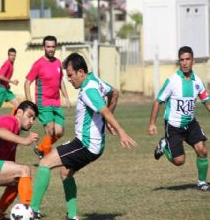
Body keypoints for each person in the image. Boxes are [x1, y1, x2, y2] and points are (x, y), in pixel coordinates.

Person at [30, 53, 137, 220]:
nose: (69, 80)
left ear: (81, 72)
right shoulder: (96, 81)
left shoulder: (88, 90)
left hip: (86, 145)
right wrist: (106, 122)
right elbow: (114, 93)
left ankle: (32, 211)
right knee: (65, 172)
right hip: (92, 145)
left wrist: (121, 131)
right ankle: (72, 216)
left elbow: (104, 110)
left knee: (44, 163)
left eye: (71, 75)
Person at [147, 46, 210, 191]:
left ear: (193, 61)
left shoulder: (198, 82)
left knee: (202, 150)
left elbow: (206, 101)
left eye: (188, 59)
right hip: (174, 126)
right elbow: (158, 101)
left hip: (191, 123)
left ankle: (202, 182)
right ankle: (164, 144)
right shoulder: (172, 81)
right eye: (182, 60)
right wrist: (152, 124)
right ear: (179, 62)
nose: (185, 63)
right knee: (179, 161)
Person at [24, 35, 71, 159]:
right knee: (50, 130)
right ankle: (46, 159)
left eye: (53, 47)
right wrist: (30, 103)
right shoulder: (38, 64)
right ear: (43, 47)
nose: (51, 49)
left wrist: (66, 97)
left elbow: (60, 80)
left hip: (56, 102)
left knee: (60, 132)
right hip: (43, 102)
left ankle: (40, 149)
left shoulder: (58, 62)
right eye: (48, 47)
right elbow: (27, 82)